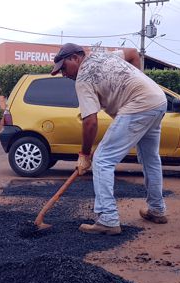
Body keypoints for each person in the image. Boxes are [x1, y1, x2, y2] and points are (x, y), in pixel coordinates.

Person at [51, 43, 168, 235]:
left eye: (64, 68)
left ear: (75, 58)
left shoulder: (83, 78)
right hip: (157, 100)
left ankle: (108, 218)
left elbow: (90, 122)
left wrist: (85, 154)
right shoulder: (104, 56)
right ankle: (156, 209)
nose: (64, 74)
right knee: (150, 158)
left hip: (138, 104)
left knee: (102, 160)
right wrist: (136, 81)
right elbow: (132, 53)